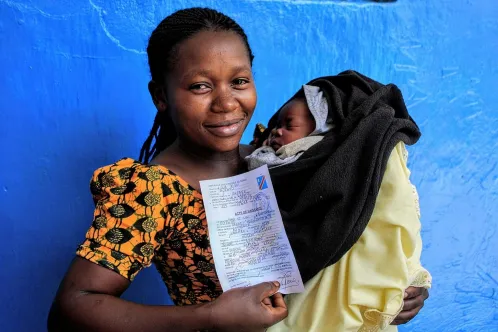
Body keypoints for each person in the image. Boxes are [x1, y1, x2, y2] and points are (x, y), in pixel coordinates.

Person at [47, 7, 428, 332]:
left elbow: (352, 219)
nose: (227, 103)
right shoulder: (155, 190)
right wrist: (211, 315)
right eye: (200, 86)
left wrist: (398, 285)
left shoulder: (279, 155)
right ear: (161, 96)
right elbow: (71, 308)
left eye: (240, 81)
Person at [245, 78, 432, 331]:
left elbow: (397, 222)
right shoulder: (266, 175)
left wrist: (410, 276)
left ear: (324, 126)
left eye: (288, 124)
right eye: (274, 126)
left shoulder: (365, 168)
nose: (275, 132)